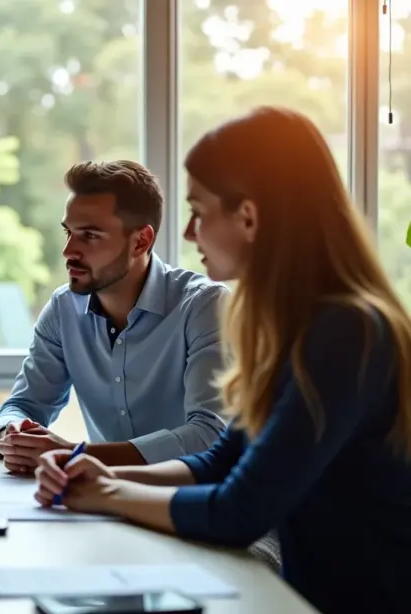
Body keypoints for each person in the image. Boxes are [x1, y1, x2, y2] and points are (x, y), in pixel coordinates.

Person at [34, 107, 411, 613]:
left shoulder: (347, 331)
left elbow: (241, 509)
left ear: (249, 217)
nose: (189, 233)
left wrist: (106, 494)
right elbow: (221, 461)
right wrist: (90, 471)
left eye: (199, 210)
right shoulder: (296, 326)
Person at [0, 160, 227, 472]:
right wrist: (12, 436)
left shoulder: (205, 306)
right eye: (68, 232)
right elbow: (23, 405)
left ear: (141, 241)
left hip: (186, 506)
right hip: (98, 503)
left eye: (89, 235)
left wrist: (78, 455)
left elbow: (209, 436)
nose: (68, 251)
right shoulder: (63, 309)